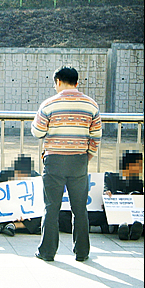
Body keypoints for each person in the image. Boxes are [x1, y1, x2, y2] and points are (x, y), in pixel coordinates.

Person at [32, 66, 102, 262]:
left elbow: (37, 132)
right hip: (79, 160)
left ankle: (47, 252)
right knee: (79, 208)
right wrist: (87, 156)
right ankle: (82, 252)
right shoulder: (91, 105)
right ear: (77, 83)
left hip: (54, 161)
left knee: (51, 207)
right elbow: (96, 136)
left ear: (58, 82)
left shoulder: (49, 104)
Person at [0, 154, 42, 237]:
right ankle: (6, 224)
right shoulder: (4, 175)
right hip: (9, 208)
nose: (22, 176)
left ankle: (13, 226)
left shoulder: (36, 179)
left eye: (25, 174)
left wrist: (27, 213)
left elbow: (37, 202)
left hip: (27, 212)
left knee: (41, 216)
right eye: (19, 173)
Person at [103, 150, 143, 240]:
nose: (140, 168)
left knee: (135, 195)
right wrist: (107, 193)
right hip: (116, 212)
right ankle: (122, 229)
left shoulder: (139, 183)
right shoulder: (111, 177)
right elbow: (105, 189)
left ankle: (135, 229)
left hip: (133, 213)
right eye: (138, 165)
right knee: (119, 195)